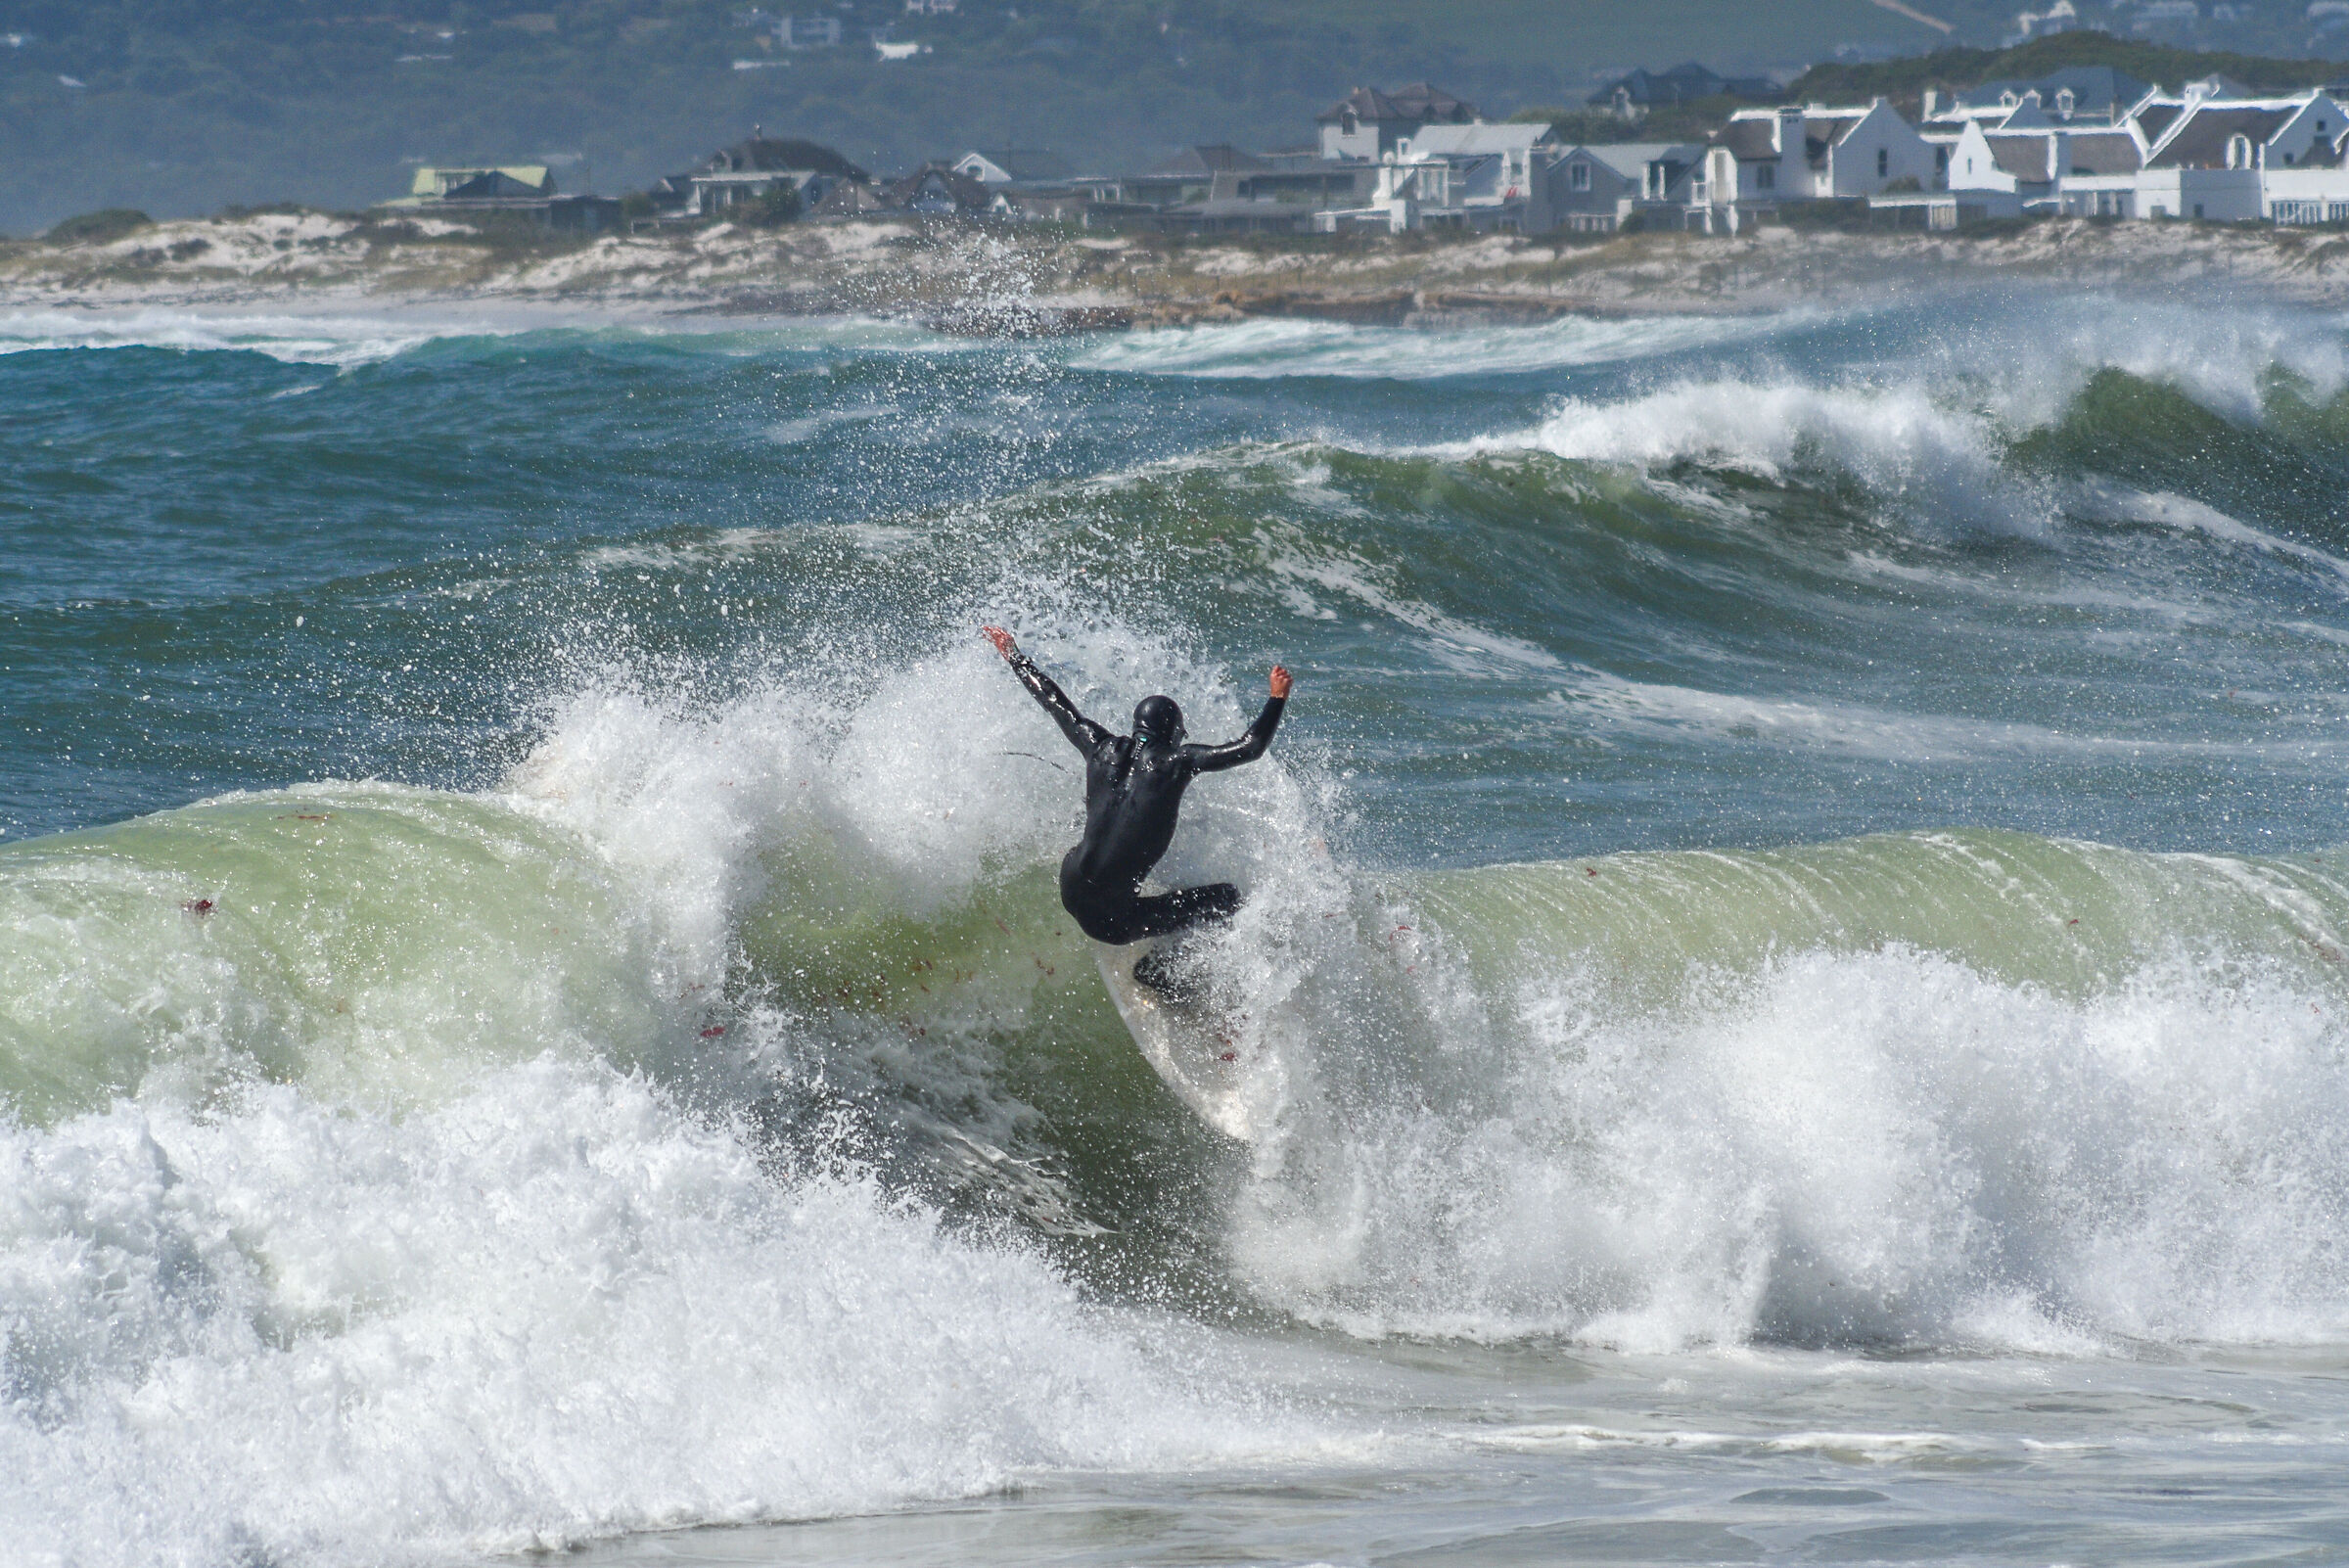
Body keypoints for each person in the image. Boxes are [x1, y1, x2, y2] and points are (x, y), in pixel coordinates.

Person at [984, 626, 1290, 970]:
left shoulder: (1100, 747)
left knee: (1099, 817)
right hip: (1111, 921)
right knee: (1226, 898)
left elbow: (1054, 702)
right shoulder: (1177, 763)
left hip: (1069, 887)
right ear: (1174, 735)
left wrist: (1014, 655)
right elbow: (1251, 748)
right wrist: (1276, 698)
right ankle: (1157, 972)